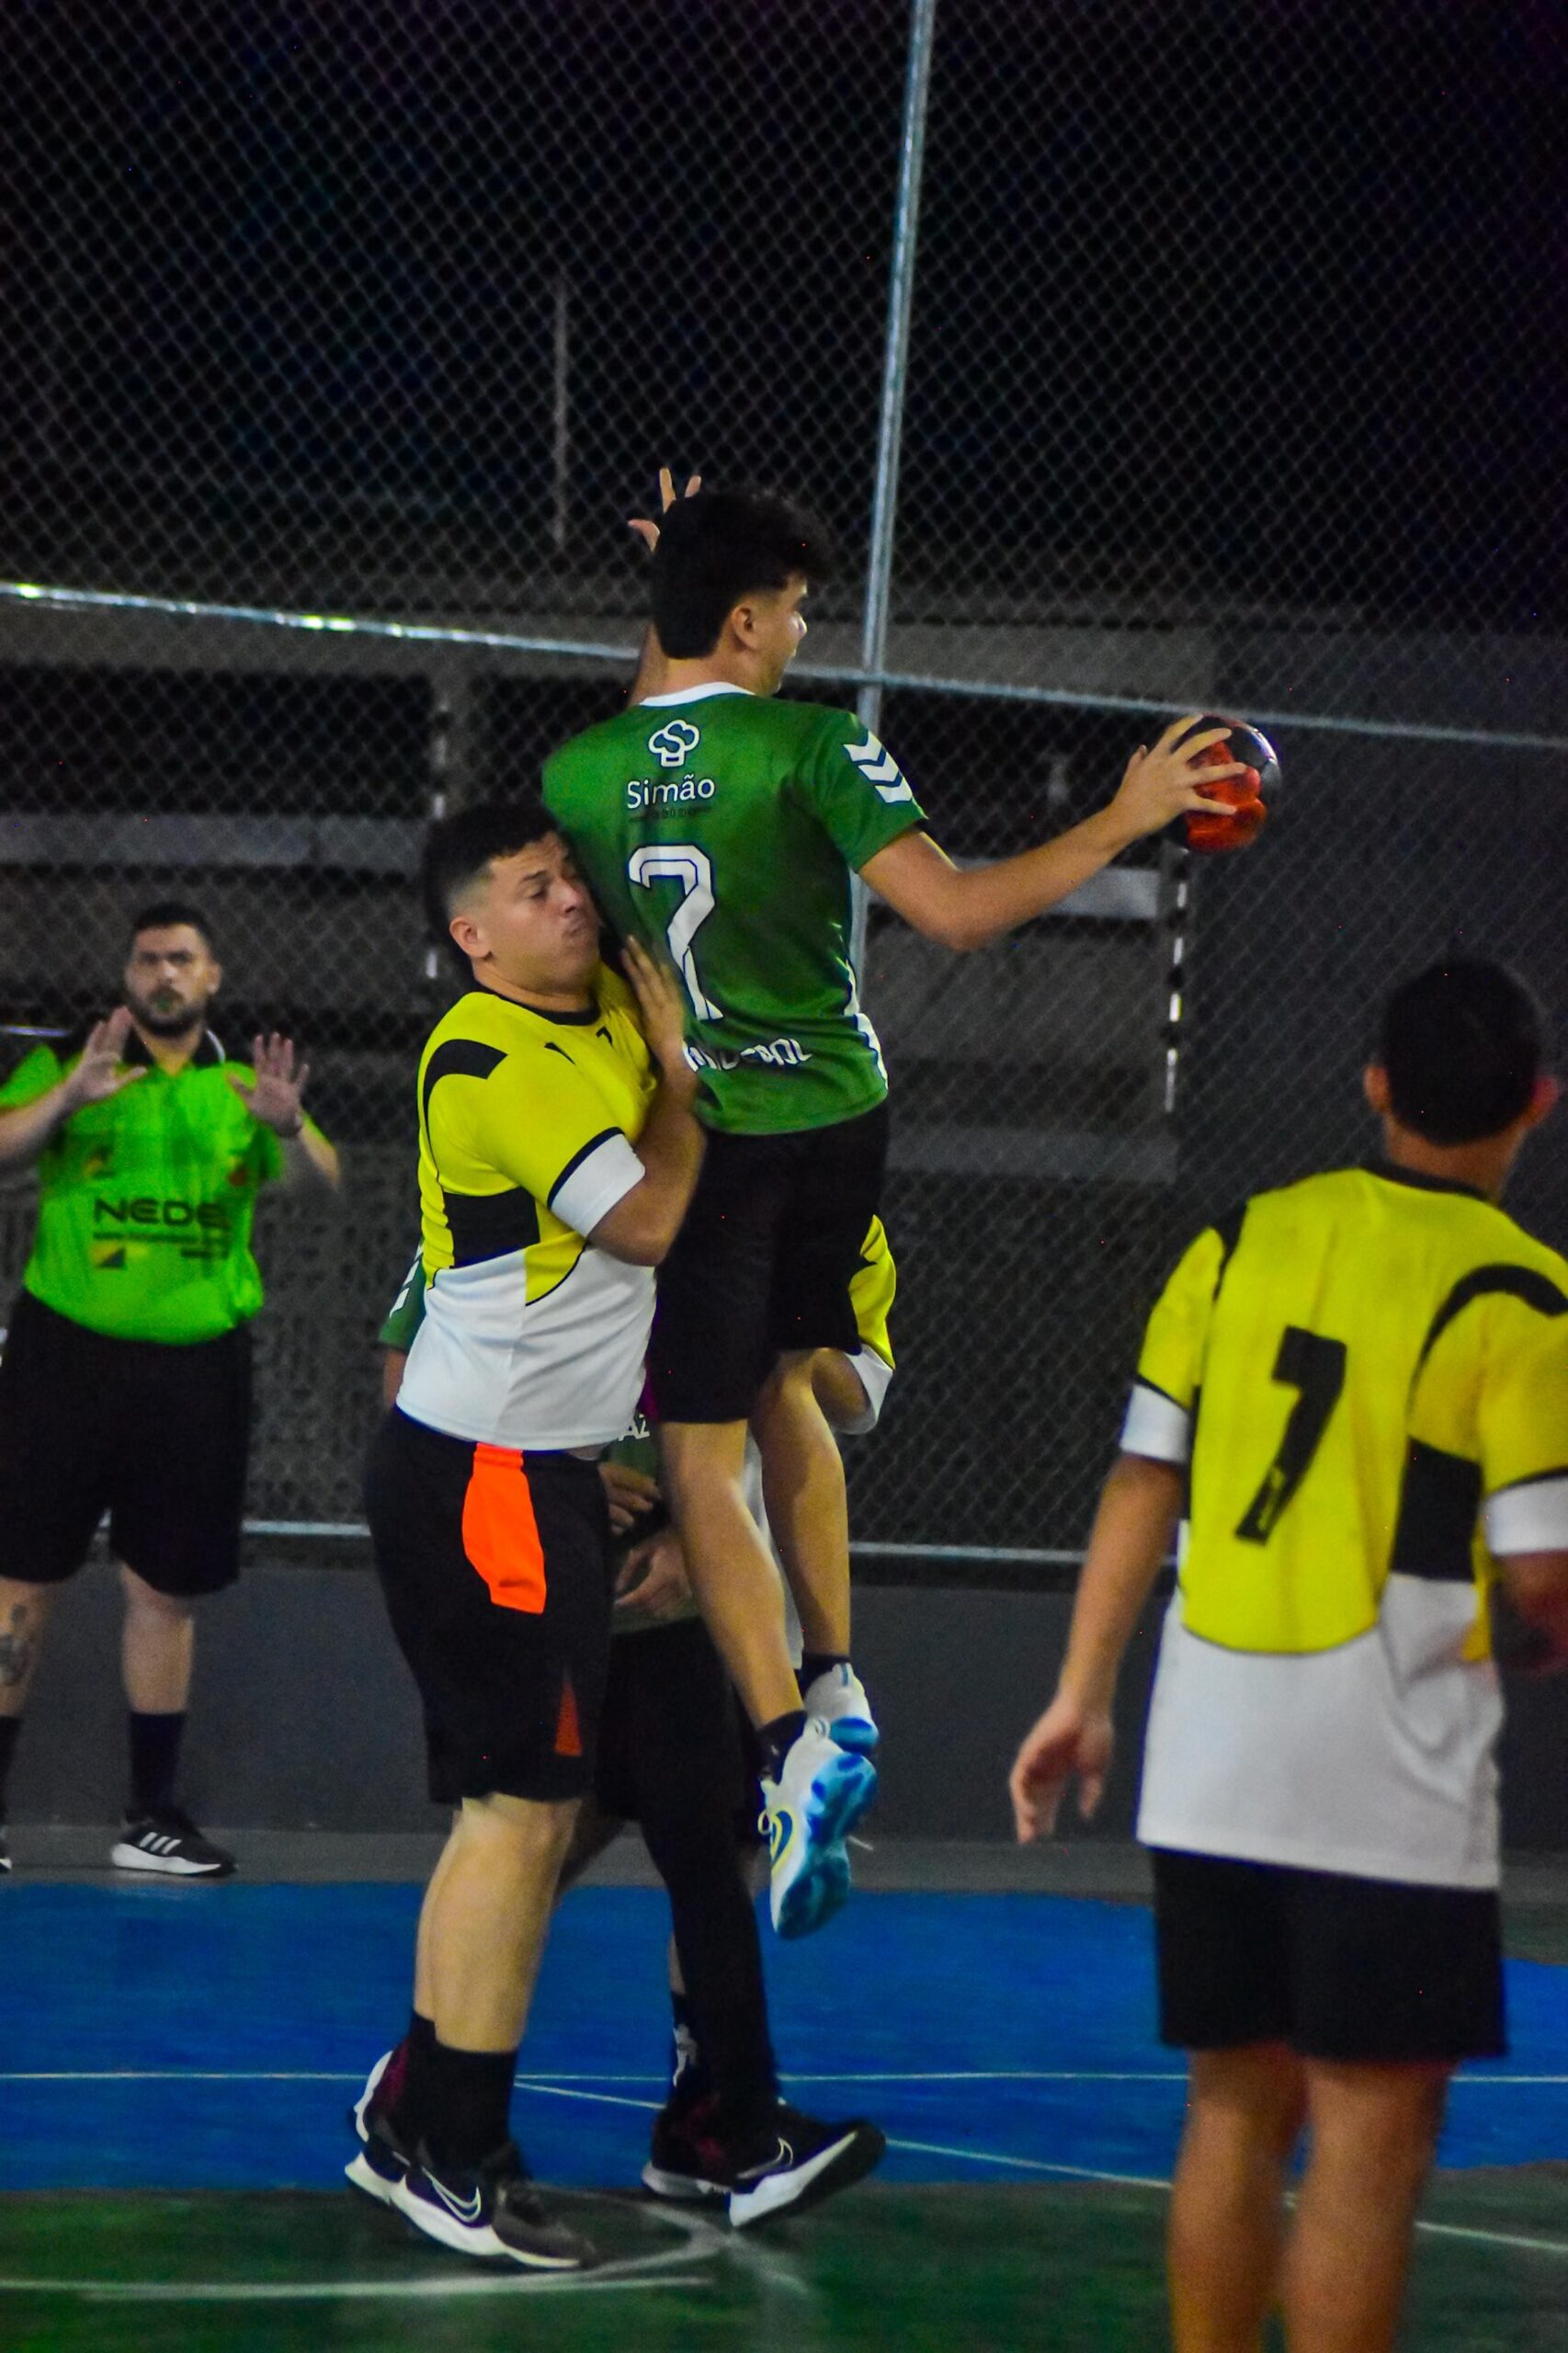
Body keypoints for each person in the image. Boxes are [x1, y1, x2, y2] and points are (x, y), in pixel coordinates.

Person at [543, 481, 1242, 1939]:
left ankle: (794, 1737)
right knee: (790, 1378)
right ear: (746, 620)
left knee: (695, 1444)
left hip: (712, 1127)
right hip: (840, 1114)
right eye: (792, 608)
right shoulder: (814, 743)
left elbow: (653, 713)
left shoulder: (578, 773)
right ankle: (842, 1678)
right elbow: (962, 915)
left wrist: (667, 585)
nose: (804, 632)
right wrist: (1123, 814)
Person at [1009, 959, 1568, 2353]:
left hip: (1208, 1746)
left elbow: (1146, 1476)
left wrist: (1083, 1694)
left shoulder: (1236, 1239)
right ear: (1538, 1106)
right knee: (1372, 2144)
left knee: (1234, 2104)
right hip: (1380, 1758)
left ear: (1373, 1087)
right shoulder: (1522, 1294)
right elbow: (1544, 1575)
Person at [375, 1215, 896, 2227]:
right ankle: (428, 2105)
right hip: (544, 1556)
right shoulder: (555, 1186)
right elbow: (421, 1373)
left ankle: (721, 2121)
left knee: (703, 1834)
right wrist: (558, 1482)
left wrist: (780, 1329)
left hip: (686, 1588)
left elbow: (834, 1394)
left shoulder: (791, 1213)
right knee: (527, 1840)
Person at [353, 796, 704, 2271]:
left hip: (528, 1470)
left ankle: (411, 2126)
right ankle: (461, 2157)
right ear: (471, 935)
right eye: (532, 886)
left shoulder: (587, 1023)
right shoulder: (496, 1054)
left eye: (570, 876)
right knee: (520, 1820)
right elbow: (649, 1225)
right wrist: (681, 1066)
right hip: (484, 1474)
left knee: (503, 1819)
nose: (570, 898)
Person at [0, 902, 338, 1878]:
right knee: (22, 1579)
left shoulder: (245, 1086)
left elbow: (320, 1185)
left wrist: (293, 1130)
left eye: (181, 958)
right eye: (147, 958)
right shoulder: (76, 1062)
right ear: (127, 972)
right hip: (65, 1355)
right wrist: (65, 1102)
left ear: (213, 975)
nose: (163, 974)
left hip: (197, 1367)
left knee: (165, 1589)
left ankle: (150, 1815)